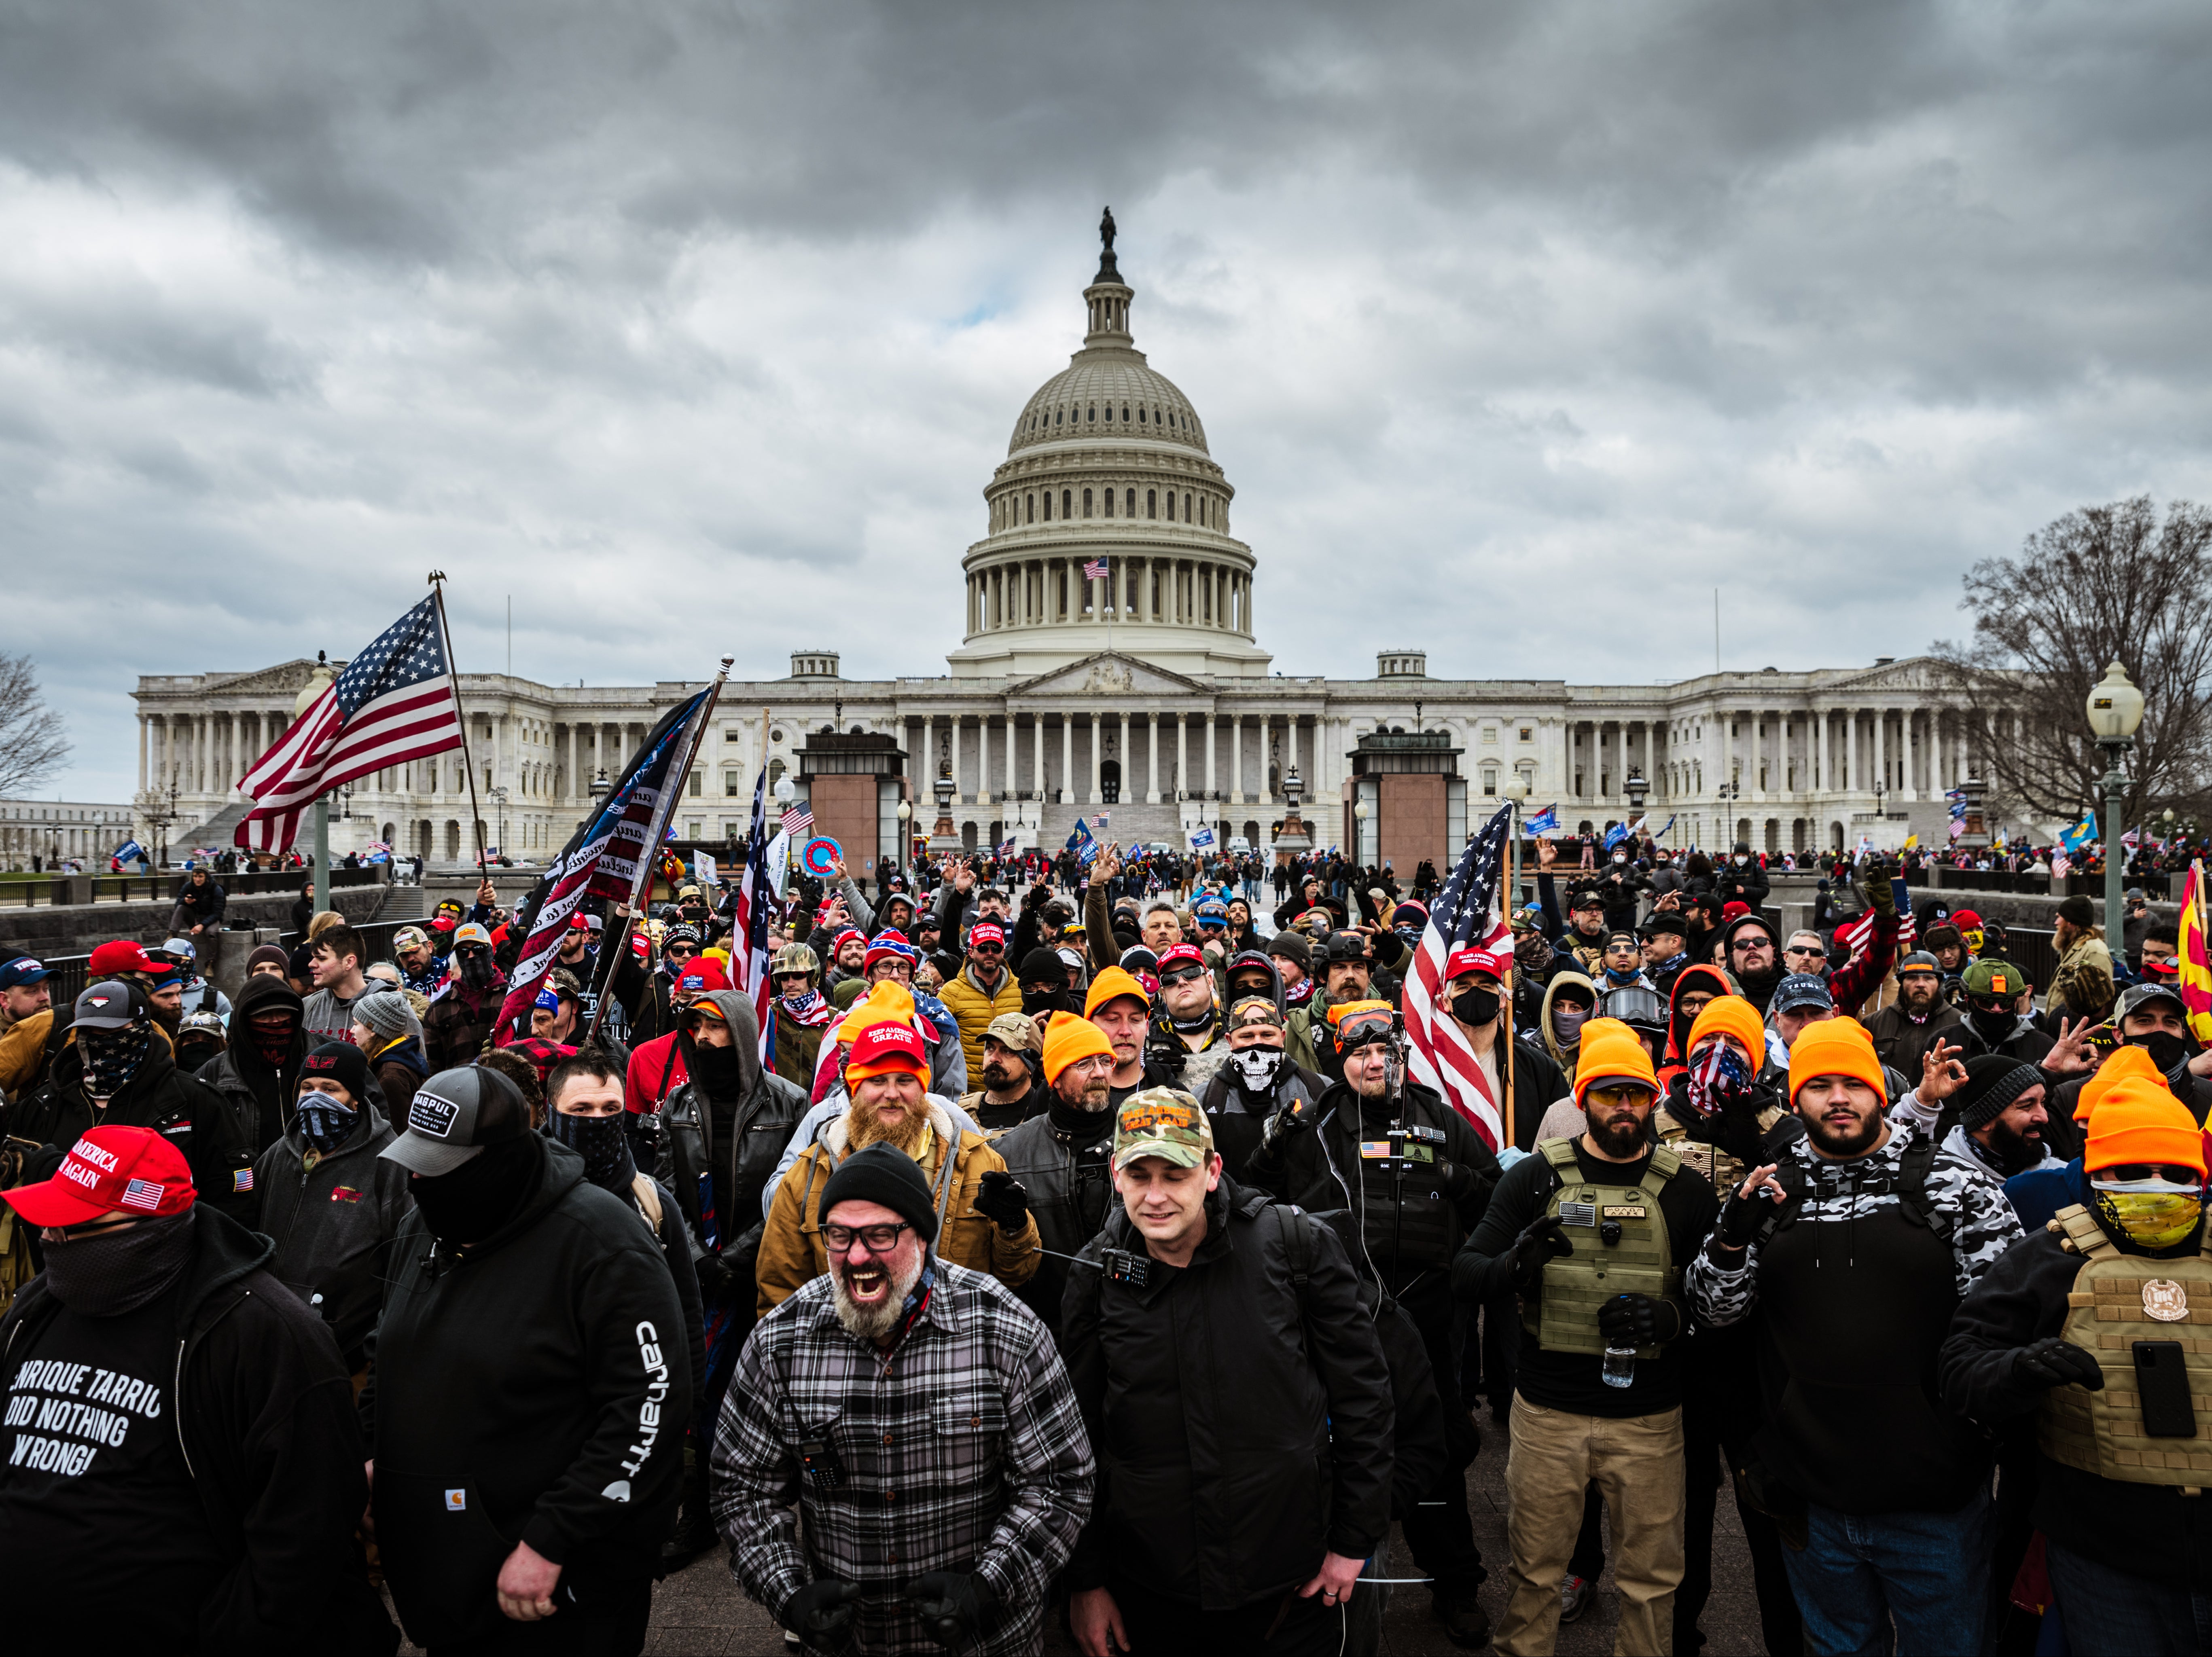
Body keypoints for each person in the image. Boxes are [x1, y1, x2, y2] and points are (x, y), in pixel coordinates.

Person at [1686, 1019, 2026, 1656]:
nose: (1838, 1098)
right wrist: (1732, 1235)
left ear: (1879, 1090)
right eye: (1819, 1085)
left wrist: (1968, 1436)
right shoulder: (1771, 1190)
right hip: (1815, 1503)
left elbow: (2002, 1328)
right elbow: (1715, 1311)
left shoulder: (1959, 1189)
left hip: (1935, 1504)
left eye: (1853, 1083)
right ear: (1796, 1100)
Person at [0, 1125, 396, 1653]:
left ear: (145, 1223)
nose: (48, 1236)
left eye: (73, 1223)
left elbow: (309, 1525)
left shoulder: (265, 1333)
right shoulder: (37, 1308)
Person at [713, 1142, 1094, 1657]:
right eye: (839, 1235)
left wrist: (990, 1584)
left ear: (921, 1236)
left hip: (985, 1641)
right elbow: (742, 1487)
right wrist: (788, 1592)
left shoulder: (1005, 1329)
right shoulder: (780, 1341)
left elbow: (1060, 1481)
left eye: (880, 1234)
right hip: (852, 1643)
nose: (856, 1256)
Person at [362, 1064, 691, 1653]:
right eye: (416, 1162)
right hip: (443, 1573)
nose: (418, 1180)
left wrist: (553, 1536)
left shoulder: (601, 1240)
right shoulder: (424, 1225)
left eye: (440, 1169)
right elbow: (390, 1346)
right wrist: (370, 1451)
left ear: (496, 1162)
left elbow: (649, 1406)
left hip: (556, 1584)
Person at [1063, 1089, 1395, 1657]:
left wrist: (1353, 1541)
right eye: (1140, 1174)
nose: (1157, 1195)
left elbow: (1365, 1398)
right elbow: (1076, 1442)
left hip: (1291, 1586)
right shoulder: (1096, 1276)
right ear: (1117, 1176)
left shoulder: (1296, 1247)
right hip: (1153, 1590)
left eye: (1176, 1173)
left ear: (1212, 1170)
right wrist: (1086, 1582)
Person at [1454, 1021, 1718, 1657]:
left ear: (1653, 1097)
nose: (1624, 1107)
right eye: (1608, 1094)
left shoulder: (1686, 1190)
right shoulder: (1534, 1180)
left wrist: (1672, 1320)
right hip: (1549, 1413)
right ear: (1583, 1098)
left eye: (1636, 1092)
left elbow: (1722, 1301)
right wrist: (1515, 1265)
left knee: (1653, 1583)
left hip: (1649, 1419)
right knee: (1535, 1574)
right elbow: (1467, 1274)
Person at [1248, 998, 1500, 1647]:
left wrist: (1453, 1174)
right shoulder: (1318, 1119)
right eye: (1360, 1053)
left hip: (1430, 1304)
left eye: (1384, 1052)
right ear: (1342, 1059)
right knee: (1343, 1435)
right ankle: (1336, 1558)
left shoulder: (1440, 1116)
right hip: (1345, 1308)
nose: (1373, 1063)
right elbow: (1259, 1197)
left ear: (1400, 1057)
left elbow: (1496, 1191)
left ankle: (1457, 1583)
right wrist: (1273, 1148)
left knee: (1437, 1442)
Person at [1941, 1077, 2212, 1654]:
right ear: (2097, 1176)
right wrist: (2020, 1370)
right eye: (2133, 1171)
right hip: (2105, 1560)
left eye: (2179, 1174)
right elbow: (1962, 1369)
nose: (2158, 1187)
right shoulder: (2045, 1258)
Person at [652, 990, 807, 1560]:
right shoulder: (676, 1105)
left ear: (739, 1033)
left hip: (762, 1271)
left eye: (714, 1027)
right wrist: (698, 1259)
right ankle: (702, 1509)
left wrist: (738, 1258)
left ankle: (765, 1506)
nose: (702, 1038)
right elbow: (665, 1189)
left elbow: (789, 1197)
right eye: (693, 1027)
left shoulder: (789, 1104)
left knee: (768, 1395)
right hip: (698, 1276)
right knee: (698, 1393)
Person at [756, 1007, 1039, 1314]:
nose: (892, 1094)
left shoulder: (978, 1164)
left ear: (924, 1087)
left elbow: (1017, 1275)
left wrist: (1015, 1227)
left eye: (905, 1080)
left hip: (952, 1350)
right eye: (877, 1080)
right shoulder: (810, 1173)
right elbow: (779, 1292)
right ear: (854, 1088)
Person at [13, 980, 256, 1222]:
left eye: (111, 1033)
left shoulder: (195, 1100)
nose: (98, 1041)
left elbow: (232, 1195)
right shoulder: (45, 1103)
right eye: (87, 1032)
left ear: (141, 1030)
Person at [250, 1041, 414, 1372]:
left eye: (330, 1089)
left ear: (356, 1097)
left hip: (345, 1352)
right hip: (266, 1335)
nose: (315, 1098)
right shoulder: (279, 1153)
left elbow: (402, 1260)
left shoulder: (389, 1160)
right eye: (307, 1087)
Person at [992, 1012, 1120, 1342]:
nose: (1099, 1073)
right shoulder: (1011, 1153)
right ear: (1056, 1078)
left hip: (1129, 1327)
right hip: (1050, 1332)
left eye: (1105, 1060)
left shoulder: (1140, 1136)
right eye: (1083, 1063)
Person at [1198, 994, 1326, 1183]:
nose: (1258, 1044)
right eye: (1247, 1036)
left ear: (1283, 1037)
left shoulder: (1318, 1088)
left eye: (1267, 1035)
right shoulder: (1204, 1099)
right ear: (1230, 1042)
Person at [198, 970, 309, 1154]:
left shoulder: (323, 1058)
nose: (276, 1022)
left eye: (283, 1013)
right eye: (264, 1016)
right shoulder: (214, 1074)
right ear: (244, 1022)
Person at [942, 916, 1024, 1080]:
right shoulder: (951, 992)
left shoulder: (1021, 989)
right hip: (967, 1089)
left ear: (1003, 951)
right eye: (983, 948)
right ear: (971, 952)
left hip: (1012, 1085)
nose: (990, 953)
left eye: (995, 948)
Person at [1864, 950, 1963, 1075]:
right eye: (1912, 978)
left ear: (1938, 983)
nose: (1921, 984)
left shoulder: (1959, 1023)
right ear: (1902, 983)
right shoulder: (1874, 1023)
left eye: (1928, 978)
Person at [352, 988, 430, 1126]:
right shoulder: (397, 1060)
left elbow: (395, 1130)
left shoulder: (391, 1076)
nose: (352, 1031)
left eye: (356, 1024)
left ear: (373, 1029)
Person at [763, 941, 834, 1087]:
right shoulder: (768, 1017)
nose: (790, 983)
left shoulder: (833, 1020)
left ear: (812, 977)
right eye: (784, 976)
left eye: (798, 975)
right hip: (780, 1103)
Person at [963, 1009, 1045, 1131]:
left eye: (1007, 1051)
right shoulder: (961, 1113)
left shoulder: (1046, 1115)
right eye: (990, 1048)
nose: (994, 1059)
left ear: (1031, 1063)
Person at [2048, 893, 2118, 1026]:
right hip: (2062, 1025)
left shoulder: (2094, 951)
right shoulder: (2072, 947)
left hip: (2077, 1029)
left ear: (2070, 922)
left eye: (2059, 918)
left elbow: (2100, 1000)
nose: (2056, 923)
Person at [302, 922, 371, 1046]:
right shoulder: (307, 1006)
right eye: (313, 958)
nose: (311, 964)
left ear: (349, 962)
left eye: (322, 959)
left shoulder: (391, 1008)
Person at [0, 954, 54, 1099]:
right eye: (33, 991)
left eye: (46, 988)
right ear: (5, 1000)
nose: (44, 997)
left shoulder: (59, 1026)